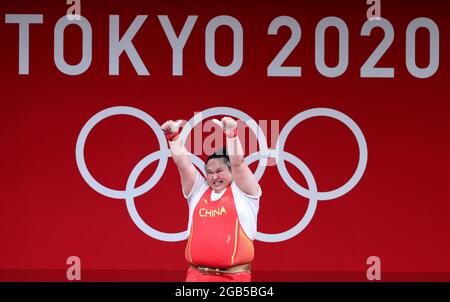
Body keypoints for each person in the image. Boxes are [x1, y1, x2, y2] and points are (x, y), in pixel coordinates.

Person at [160, 117, 262, 282]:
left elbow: (239, 164)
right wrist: (174, 139)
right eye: (209, 172)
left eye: (220, 170)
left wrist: (231, 136)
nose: (214, 177)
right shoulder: (198, 191)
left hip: (234, 278)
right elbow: (183, 165)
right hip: (197, 277)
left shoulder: (245, 193)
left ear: (231, 171)